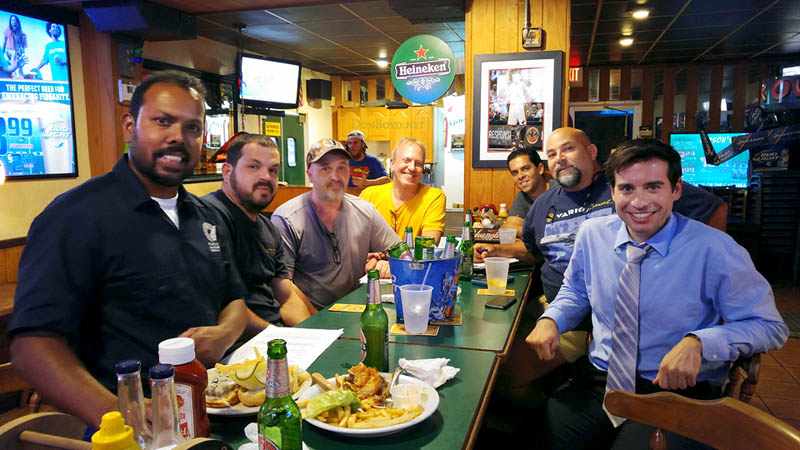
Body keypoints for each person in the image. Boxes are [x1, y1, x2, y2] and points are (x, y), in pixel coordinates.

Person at [8, 71, 248, 428]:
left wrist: (223, 335)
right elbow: (32, 347)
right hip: (125, 425)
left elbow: (235, 301)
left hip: (220, 409)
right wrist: (128, 416)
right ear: (129, 126)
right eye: (162, 121)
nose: (177, 138)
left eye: (192, 128)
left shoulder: (208, 215)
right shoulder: (74, 216)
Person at [527, 138, 788, 449]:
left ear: (675, 190)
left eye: (653, 187)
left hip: (679, 393)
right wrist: (551, 318)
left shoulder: (715, 249)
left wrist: (700, 342)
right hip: (602, 381)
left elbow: (770, 326)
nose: (639, 202)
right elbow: (576, 291)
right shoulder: (592, 234)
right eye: (627, 189)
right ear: (612, 191)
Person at [203, 133, 317, 338]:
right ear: (227, 172)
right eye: (253, 167)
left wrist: (310, 336)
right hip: (237, 349)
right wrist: (279, 338)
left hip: (276, 338)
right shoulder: (209, 217)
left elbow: (286, 296)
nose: (266, 176)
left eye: (273, 170)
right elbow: (223, 307)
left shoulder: (268, 227)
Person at [271, 139, 400, 310]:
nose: (335, 176)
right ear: (309, 174)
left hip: (356, 312)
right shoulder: (286, 219)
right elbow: (283, 291)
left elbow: (403, 253)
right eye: (326, 168)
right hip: (308, 317)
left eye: (342, 167)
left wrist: (390, 263)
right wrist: (317, 325)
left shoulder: (365, 211)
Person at [359, 137, 446, 244]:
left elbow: (426, 248)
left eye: (418, 163)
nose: (412, 168)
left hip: (410, 262)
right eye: (406, 161)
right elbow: (356, 241)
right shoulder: (369, 195)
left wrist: (388, 260)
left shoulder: (433, 197)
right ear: (392, 164)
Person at [473, 146, 547, 263]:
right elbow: (508, 228)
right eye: (515, 172)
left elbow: (552, 237)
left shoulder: (558, 192)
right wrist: (536, 235)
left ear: (540, 169)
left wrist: (527, 235)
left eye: (526, 168)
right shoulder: (522, 197)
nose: (520, 176)